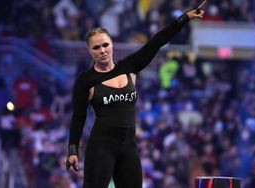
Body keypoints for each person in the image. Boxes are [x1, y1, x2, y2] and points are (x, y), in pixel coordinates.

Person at [65, 6, 205, 188]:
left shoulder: (129, 66)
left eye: (105, 44)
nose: (102, 50)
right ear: (89, 51)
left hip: (129, 147)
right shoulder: (86, 80)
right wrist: (73, 150)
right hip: (101, 147)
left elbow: (157, 41)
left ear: (112, 44)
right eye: (96, 47)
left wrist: (184, 18)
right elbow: (78, 117)